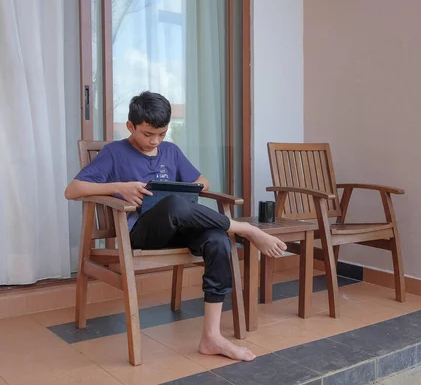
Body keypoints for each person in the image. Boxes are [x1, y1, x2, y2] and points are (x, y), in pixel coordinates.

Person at [65, 91, 287, 362]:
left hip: (179, 227)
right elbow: (73, 190)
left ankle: (211, 337)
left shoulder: (171, 151)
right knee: (173, 205)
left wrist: (185, 188)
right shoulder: (114, 153)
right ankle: (245, 229)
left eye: (161, 134)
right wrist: (119, 187)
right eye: (147, 134)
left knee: (217, 240)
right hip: (139, 233)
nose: (155, 141)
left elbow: (202, 182)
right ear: (131, 126)